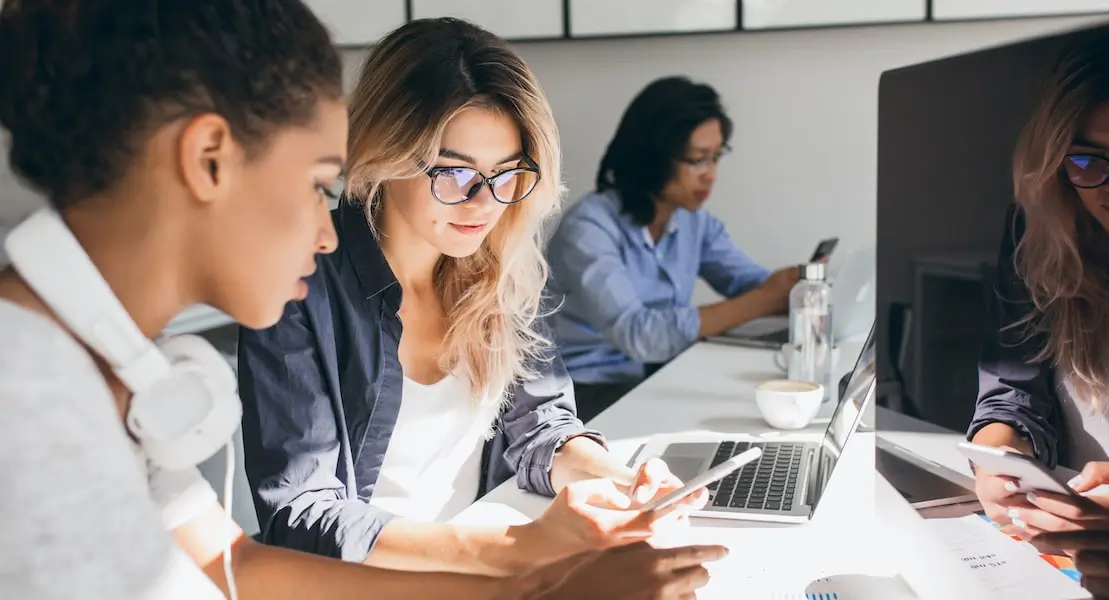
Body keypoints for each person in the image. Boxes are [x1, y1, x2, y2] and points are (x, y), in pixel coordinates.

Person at [0, 2, 724, 599]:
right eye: (320, 184)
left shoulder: (114, 370)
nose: (328, 231)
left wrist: (534, 583)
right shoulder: (26, 397)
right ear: (209, 158)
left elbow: (237, 568)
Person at [236, 17, 707, 579]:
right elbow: (301, 513)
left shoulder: (500, 271)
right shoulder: (299, 284)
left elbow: (542, 428)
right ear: (385, 155)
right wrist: (511, 549)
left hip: (490, 567)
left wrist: (624, 480)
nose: (485, 204)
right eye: (456, 174)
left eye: (508, 174)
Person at [966, 15, 1109, 599]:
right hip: (1068, 563)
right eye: (1088, 160)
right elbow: (1011, 392)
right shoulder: (1041, 238)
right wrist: (998, 459)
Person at [546, 76, 799, 421]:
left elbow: (751, 286)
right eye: (698, 159)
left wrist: (800, 287)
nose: (711, 175)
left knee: (742, 406)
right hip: (581, 394)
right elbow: (639, 335)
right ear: (653, 158)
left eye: (716, 157)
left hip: (653, 376)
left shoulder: (695, 222)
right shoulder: (588, 229)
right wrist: (767, 299)